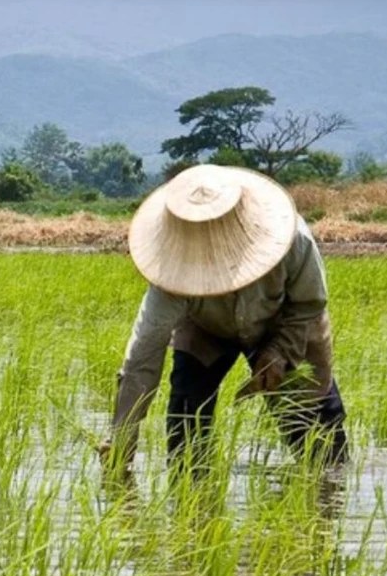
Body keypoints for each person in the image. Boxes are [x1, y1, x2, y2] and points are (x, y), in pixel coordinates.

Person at [99, 164, 348, 482]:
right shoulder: (170, 274)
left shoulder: (292, 240)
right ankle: (192, 509)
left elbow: (309, 304)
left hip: (284, 323)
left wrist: (278, 351)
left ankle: (327, 499)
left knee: (319, 436)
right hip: (205, 329)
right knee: (186, 424)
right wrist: (121, 439)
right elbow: (143, 358)